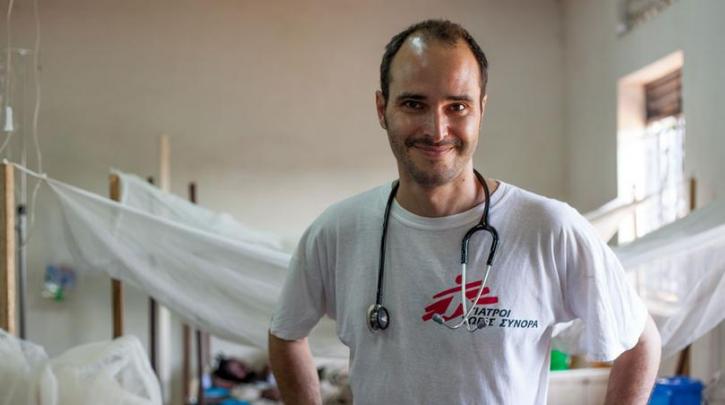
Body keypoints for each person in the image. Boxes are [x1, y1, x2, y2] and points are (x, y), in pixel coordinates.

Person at [268, 19, 661, 404]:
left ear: (480, 111)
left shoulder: (549, 229)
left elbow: (640, 342)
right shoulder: (338, 232)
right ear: (381, 108)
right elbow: (285, 334)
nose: (437, 130)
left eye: (457, 106)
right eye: (414, 104)